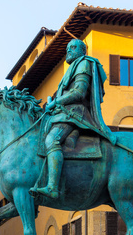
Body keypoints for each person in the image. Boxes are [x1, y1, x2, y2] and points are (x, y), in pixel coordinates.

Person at [29, 39, 116, 199]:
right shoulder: (72, 68)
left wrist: (56, 101)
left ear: (83, 51)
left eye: (73, 47)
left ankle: (52, 187)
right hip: (65, 112)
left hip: (75, 113)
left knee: (51, 140)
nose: (68, 51)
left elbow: (79, 92)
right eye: (67, 48)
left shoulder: (83, 63)